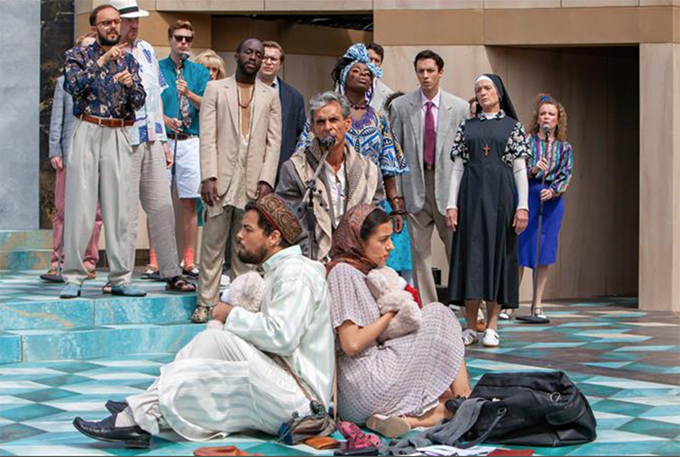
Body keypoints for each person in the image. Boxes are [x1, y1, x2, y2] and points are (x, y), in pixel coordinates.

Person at [72, 194, 335, 449]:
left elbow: (282, 337)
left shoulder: (296, 274)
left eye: (248, 229)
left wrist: (231, 315)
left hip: (302, 401)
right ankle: (146, 407)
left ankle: (144, 409)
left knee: (215, 344)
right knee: (212, 343)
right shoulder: (281, 271)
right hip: (284, 387)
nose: (239, 235)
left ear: (274, 237)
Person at [327, 204, 470, 438]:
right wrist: (390, 315)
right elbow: (351, 344)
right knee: (439, 315)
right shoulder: (343, 273)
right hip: (364, 381)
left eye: (390, 239)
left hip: (364, 383)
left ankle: (411, 419)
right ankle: (465, 401)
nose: (391, 247)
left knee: (443, 392)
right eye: (383, 240)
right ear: (359, 240)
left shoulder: (362, 271)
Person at [296, 44, 410, 274]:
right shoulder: (326, 116)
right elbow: (303, 155)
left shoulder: (378, 119)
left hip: (367, 196)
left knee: (366, 259)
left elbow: (388, 164)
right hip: (328, 195)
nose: (363, 75)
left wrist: (396, 207)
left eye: (367, 72)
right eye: (356, 71)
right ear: (345, 76)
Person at [59, 4, 146, 299]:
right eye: (106, 23)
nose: (113, 27)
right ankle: (74, 275)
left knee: (119, 208)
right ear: (94, 27)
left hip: (118, 132)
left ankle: (121, 277)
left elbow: (139, 101)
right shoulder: (78, 56)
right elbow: (74, 86)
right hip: (88, 128)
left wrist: (131, 85)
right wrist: (102, 62)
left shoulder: (130, 60)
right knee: (80, 207)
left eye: (116, 22)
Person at [110, 0, 195, 294]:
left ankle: (171, 272)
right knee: (125, 212)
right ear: (115, 22)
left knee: (162, 207)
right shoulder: (108, 53)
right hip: (124, 139)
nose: (134, 25)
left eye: (136, 20)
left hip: (152, 138)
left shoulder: (146, 50)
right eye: (128, 20)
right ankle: (120, 276)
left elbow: (155, 99)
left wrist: (163, 142)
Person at [195, 38, 281, 323]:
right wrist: (208, 175)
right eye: (248, 52)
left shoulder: (270, 95)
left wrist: (267, 179)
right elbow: (207, 136)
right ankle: (206, 303)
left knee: (247, 247)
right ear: (236, 55)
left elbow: (274, 142)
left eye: (258, 54)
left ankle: (239, 306)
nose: (253, 57)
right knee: (212, 245)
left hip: (253, 182)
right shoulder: (215, 89)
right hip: (220, 180)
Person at [446, 74, 531, 348]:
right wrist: (451, 204)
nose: (482, 93)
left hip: (501, 200)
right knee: (470, 261)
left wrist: (522, 206)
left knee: (497, 259)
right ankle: (471, 326)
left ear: (499, 92)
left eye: (487, 88)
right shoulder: (467, 126)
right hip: (470, 199)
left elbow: (519, 169)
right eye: (478, 89)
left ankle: (492, 326)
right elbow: (457, 168)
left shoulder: (513, 127)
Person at [389, 50, 468, 306]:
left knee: (457, 250)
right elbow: (395, 154)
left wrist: (461, 195)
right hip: (415, 186)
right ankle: (430, 310)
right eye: (421, 71)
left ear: (440, 72)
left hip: (448, 187)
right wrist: (397, 198)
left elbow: (465, 155)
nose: (425, 76)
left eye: (430, 71)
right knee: (419, 254)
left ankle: (469, 305)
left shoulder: (459, 108)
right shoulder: (401, 107)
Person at [276, 91, 384, 262]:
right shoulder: (295, 169)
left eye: (333, 120)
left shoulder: (369, 171)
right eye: (320, 122)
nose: (327, 127)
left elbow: (375, 221)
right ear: (312, 128)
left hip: (358, 259)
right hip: (311, 260)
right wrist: (313, 261)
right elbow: (288, 222)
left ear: (347, 124)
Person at [501, 94, 574, 320]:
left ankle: (538, 304)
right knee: (521, 249)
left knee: (544, 252)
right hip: (528, 197)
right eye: (543, 114)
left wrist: (554, 190)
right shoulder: (527, 140)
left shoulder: (564, 148)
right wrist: (533, 170)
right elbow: (515, 167)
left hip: (551, 202)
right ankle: (510, 303)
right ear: (537, 118)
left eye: (551, 114)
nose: (546, 117)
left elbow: (567, 173)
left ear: (558, 120)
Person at [43, 32, 102, 283]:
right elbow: (57, 118)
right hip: (69, 153)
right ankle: (58, 261)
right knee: (63, 209)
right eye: (84, 49)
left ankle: (88, 261)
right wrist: (55, 150)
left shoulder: (105, 80)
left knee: (94, 213)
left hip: (96, 154)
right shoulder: (64, 81)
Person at [159, 20, 210, 278]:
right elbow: (150, 104)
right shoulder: (157, 68)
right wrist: (164, 120)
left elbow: (207, 104)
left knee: (190, 199)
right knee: (159, 200)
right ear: (170, 39)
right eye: (179, 38)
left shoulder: (199, 72)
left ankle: (188, 260)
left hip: (190, 139)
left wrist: (188, 93)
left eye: (187, 39)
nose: (183, 43)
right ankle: (156, 261)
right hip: (164, 139)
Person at [258, 41, 306, 174]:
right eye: (264, 58)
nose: (268, 62)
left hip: (281, 168)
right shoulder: (242, 90)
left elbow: (301, 136)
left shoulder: (295, 97)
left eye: (273, 59)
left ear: (279, 64)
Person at [366, 42, 394, 114]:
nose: (373, 64)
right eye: (370, 59)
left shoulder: (388, 94)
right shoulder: (343, 87)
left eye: (377, 61)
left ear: (381, 64)